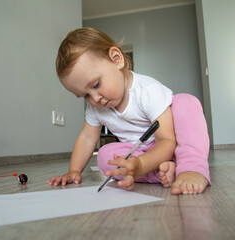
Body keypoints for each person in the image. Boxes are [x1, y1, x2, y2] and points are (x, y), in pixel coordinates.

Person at [47, 27, 210, 194]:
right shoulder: (95, 108)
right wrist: (74, 171)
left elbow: (167, 141)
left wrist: (140, 164)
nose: (95, 98)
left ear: (117, 59)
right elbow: (87, 139)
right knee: (104, 156)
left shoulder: (147, 90)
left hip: (170, 143)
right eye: (85, 95)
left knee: (185, 102)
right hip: (138, 153)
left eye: (96, 85)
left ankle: (192, 168)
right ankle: (165, 172)